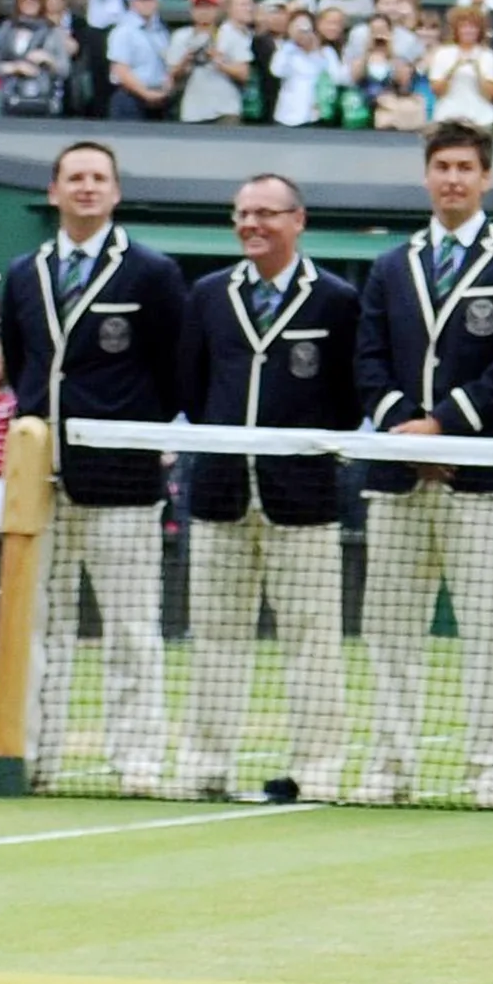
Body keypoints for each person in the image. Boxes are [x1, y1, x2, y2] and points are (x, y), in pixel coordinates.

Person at [352, 120, 493, 809]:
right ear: (427, 175)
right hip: (399, 480)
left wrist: (442, 428)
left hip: (483, 481)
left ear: (485, 177)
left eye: (466, 167)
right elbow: (368, 363)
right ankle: (390, 771)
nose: (454, 179)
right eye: (442, 167)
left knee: (489, 635)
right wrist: (408, 432)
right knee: (390, 635)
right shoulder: (390, 266)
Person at [0, 141, 187, 797]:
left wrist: (127, 433)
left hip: (124, 480)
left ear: (115, 192)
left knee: (131, 627)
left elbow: (174, 373)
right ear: (53, 191)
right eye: (74, 177)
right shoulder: (24, 272)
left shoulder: (153, 273)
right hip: (37, 483)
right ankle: (34, 754)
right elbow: (20, 361)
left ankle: (136, 757)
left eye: (98, 178)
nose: (86, 187)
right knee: (38, 626)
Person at [173, 174, 359, 802]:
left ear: (297, 220)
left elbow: (343, 403)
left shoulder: (335, 299)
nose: (252, 224)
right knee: (217, 636)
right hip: (220, 493)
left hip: (303, 498)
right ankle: (205, 767)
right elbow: (194, 392)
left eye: (266, 213)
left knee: (312, 640)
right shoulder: (207, 295)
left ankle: (318, 771)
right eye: (242, 214)